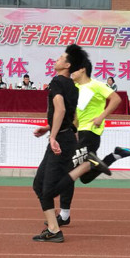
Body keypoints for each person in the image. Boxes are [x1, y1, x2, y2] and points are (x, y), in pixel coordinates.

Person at [30, 45, 112, 243]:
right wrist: (49, 128)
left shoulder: (57, 81)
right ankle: (53, 228)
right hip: (65, 137)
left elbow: (59, 110)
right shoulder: (74, 87)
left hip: (60, 139)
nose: (57, 59)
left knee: (48, 190)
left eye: (61, 57)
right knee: (39, 185)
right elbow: (71, 116)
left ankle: (85, 166)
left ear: (67, 65)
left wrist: (52, 136)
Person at [54, 58, 130, 227]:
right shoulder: (76, 89)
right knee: (84, 178)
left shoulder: (96, 85)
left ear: (83, 69)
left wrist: (101, 117)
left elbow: (116, 99)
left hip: (91, 134)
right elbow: (76, 116)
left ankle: (64, 215)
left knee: (68, 171)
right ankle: (115, 155)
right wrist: (72, 133)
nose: (72, 72)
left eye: (75, 69)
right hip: (81, 134)